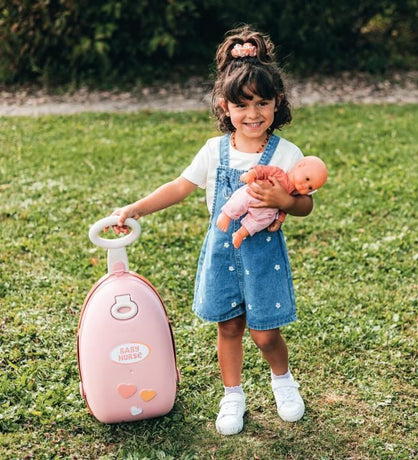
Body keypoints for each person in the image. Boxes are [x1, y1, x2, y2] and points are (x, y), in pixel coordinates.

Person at [111, 25, 316, 435]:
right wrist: (136, 208)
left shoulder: (286, 153)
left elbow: (305, 205)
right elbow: (179, 187)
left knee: (265, 333)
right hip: (222, 255)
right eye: (242, 105)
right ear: (225, 107)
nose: (253, 114)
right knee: (229, 327)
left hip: (263, 258)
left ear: (278, 102)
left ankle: (283, 381)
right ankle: (232, 395)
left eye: (262, 103)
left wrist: (284, 200)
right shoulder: (214, 151)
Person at [217, 156, 327, 248]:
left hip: (267, 210)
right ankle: (226, 214)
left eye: (310, 188)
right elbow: (264, 171)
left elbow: (284, 210)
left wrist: (279, 220)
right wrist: (252, 174)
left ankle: (241, 233)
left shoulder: (292, 195)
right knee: (241, 199)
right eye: (307, 179)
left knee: (262, 221)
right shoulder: (279, 173)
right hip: (255, 192)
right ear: (300, 166)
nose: (305, 186)